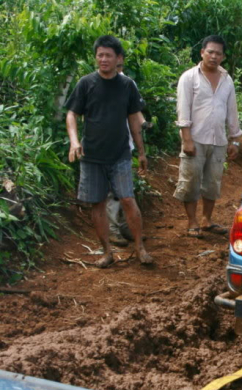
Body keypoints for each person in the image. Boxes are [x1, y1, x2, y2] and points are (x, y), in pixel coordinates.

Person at [65, 35, 153, 268]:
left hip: (120, 155)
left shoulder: (127, 86)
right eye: (100, 55)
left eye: (108, 56)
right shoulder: (86, 83)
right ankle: (107, 252)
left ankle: (139, 247)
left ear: (118, 59)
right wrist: (74, 142)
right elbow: (72, 113)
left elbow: (134, 121)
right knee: (97, 204)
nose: (103, 60)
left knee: (127, 199)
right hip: (91, 156)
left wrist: (141, 153)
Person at [174, 35, 242, 238]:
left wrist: (234, 139)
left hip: (219, 140)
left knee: (213, 182)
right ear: (202, 52)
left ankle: (207, 220)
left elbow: (232, 110)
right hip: (195, 139)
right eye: (210, 52)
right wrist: (186, 139)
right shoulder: (189, 77)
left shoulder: (226, 79)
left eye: (218, 53)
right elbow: (183, 109)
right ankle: (192, 221)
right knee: (191, 181)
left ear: (223, 57)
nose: (213, 56)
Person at [107, 59, 149, 248]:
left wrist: (141, 149)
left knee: (125, 191)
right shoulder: (98, 83)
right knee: (112, 192)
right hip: (106, 146)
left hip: (125, 145)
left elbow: (135, 114)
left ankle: (124, 227)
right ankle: (114, 229)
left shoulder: (127, 84)